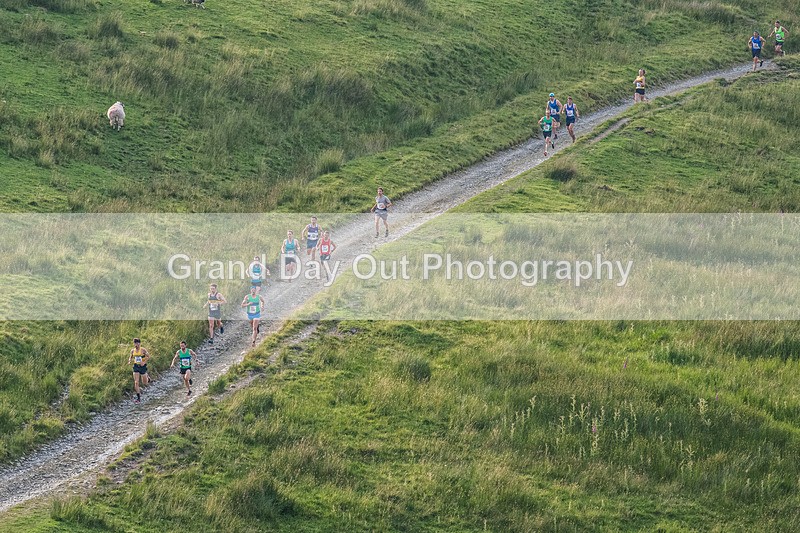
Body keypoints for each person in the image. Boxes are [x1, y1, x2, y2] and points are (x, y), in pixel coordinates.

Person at [127, 338, 150, 403]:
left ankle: (147, 377)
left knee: (145, 383)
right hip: (136, 366)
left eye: (137, 343)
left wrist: (144, 362)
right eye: (135, 343)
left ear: (139, 343)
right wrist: (129, 361)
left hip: (142, 367)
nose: (136, 344)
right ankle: (138, 398)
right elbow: (130, 356)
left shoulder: (143, 350)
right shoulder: (132, 351)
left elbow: (148, 356)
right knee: (136, 382)